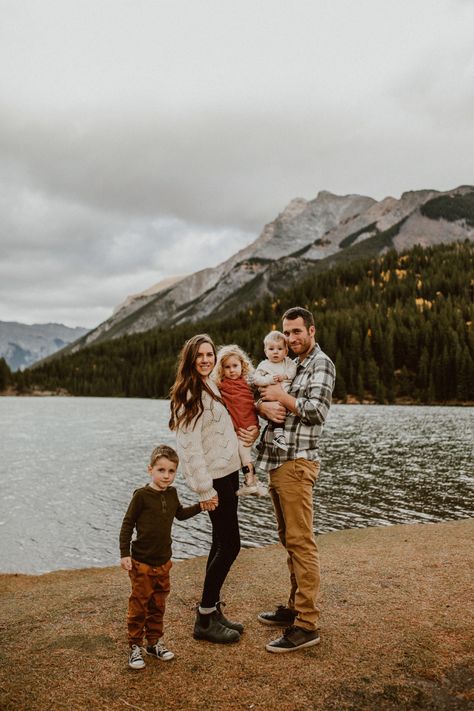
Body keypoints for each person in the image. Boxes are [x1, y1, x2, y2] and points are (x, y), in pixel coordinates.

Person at [255, 307, 336, 653]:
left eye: (297, 332)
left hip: (297, 465)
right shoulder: (291, 365)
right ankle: (294, 606)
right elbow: (266, 400)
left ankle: (306, 624)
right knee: (288, 538)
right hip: (276, 463)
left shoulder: (322, 364)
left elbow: (316, 411)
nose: (291, 339)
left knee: (301, 542)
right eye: (287, 333)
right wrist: (263, 407)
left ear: (312, 330)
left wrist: (280, 398)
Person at [169, 334, 259, 644]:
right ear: (191, 360)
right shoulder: (191, 393)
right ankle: (204, 618)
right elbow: (189, 447)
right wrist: (204, 489)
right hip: (215, 481)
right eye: (201, 356)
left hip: (228, 473)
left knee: (219, 542)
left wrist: (247, 437)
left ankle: (212, 609)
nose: (207, 359)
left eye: (210, 354)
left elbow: (227, 427)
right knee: (231, 545)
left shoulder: (212, 386)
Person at [119, 444, 206, 670]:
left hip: (163, 562)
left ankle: (154, 643)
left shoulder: (173, 493)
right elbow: (127, 525)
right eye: (161, 470)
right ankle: (135, 646)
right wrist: (124, 554)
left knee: (158, 604)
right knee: (139, 605)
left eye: (171, 471)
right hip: (142, 563)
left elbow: (181, 514)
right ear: (150, 470)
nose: (166, 476)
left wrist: (201, 506)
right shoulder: (141, 496)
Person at [213, 344, 266, 497]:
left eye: (235, 365)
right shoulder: (221, 385)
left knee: (244, 454)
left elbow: (264, 395)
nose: (231, 370)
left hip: (246, 426)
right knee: (239, 454)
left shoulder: (249, 383)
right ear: (221, 369)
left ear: (242, 365)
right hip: (235, 427)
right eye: (227, 367)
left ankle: (250, 482)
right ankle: (253, 481)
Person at [251, 330, 297, 452]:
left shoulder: (288, 362)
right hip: (271, 397)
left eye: (280, 348)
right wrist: (269, 379)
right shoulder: (264, 365)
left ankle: (263, 441)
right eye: (271, 349)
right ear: (266, 352)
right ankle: (279, 437)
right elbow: (256, 379)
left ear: (286, 351)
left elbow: (293, 370)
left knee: (277, 418)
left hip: (284, 394)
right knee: (277, 414)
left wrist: (285, 376)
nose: (275, 352)